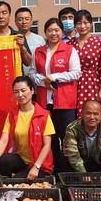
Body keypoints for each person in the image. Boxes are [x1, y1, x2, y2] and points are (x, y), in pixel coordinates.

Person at [29, 18, 81, 171]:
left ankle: (67, 171)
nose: (53, 33)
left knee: (66, 138)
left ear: (61, 31)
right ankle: (52, 169)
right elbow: (32, 72)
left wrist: (55, 77)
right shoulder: (38, 51)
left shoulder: (70, 50)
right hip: (44, 102)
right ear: (45, 32)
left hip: (65, 102)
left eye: (56, 30)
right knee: (49, 139)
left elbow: (76, 73)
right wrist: (41, 81)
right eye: (50, 30)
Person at [0, 76, 55, 179]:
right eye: (16, 92)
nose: (20, 95)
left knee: (19, 183)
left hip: (40, 165)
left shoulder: (43, 115)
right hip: (22, 162)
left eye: (23, 90)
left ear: (32, 90)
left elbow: (47, 145)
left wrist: (36, 167)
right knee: (3, 160)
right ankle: (3, 184)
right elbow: (4, 140)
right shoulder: (13, 114)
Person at [69, 10, 101, 121]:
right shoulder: (69, 44)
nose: (83, 26)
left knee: (94, 116)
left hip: (93, 85)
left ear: (91, 23)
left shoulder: (100, 42)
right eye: (79, 23)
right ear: (75, 26)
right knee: (75, 118)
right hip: (73, 84)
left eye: (86, 22)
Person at [63, 100, 101, 173]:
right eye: (88, 113)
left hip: (99, 162)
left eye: (96, 114)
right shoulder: (72, 128)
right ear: (82, 113)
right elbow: (72, 155)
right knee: (65, 155)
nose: (92, 117)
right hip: (80, 163)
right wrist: (83, 175)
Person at [0, 1, 30, 67]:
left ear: (9, 15)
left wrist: (22, 48)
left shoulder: (18, 36)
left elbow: (29, 63)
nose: (1, 16)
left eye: (4, 13)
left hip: (16, 76)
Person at [14, 7, 46, 74]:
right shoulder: (12, 39)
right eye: (20, 19)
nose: (24, 22)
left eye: (27, 19)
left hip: (35, 79)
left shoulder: (40, 39)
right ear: (15, 22)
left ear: (31, 21)